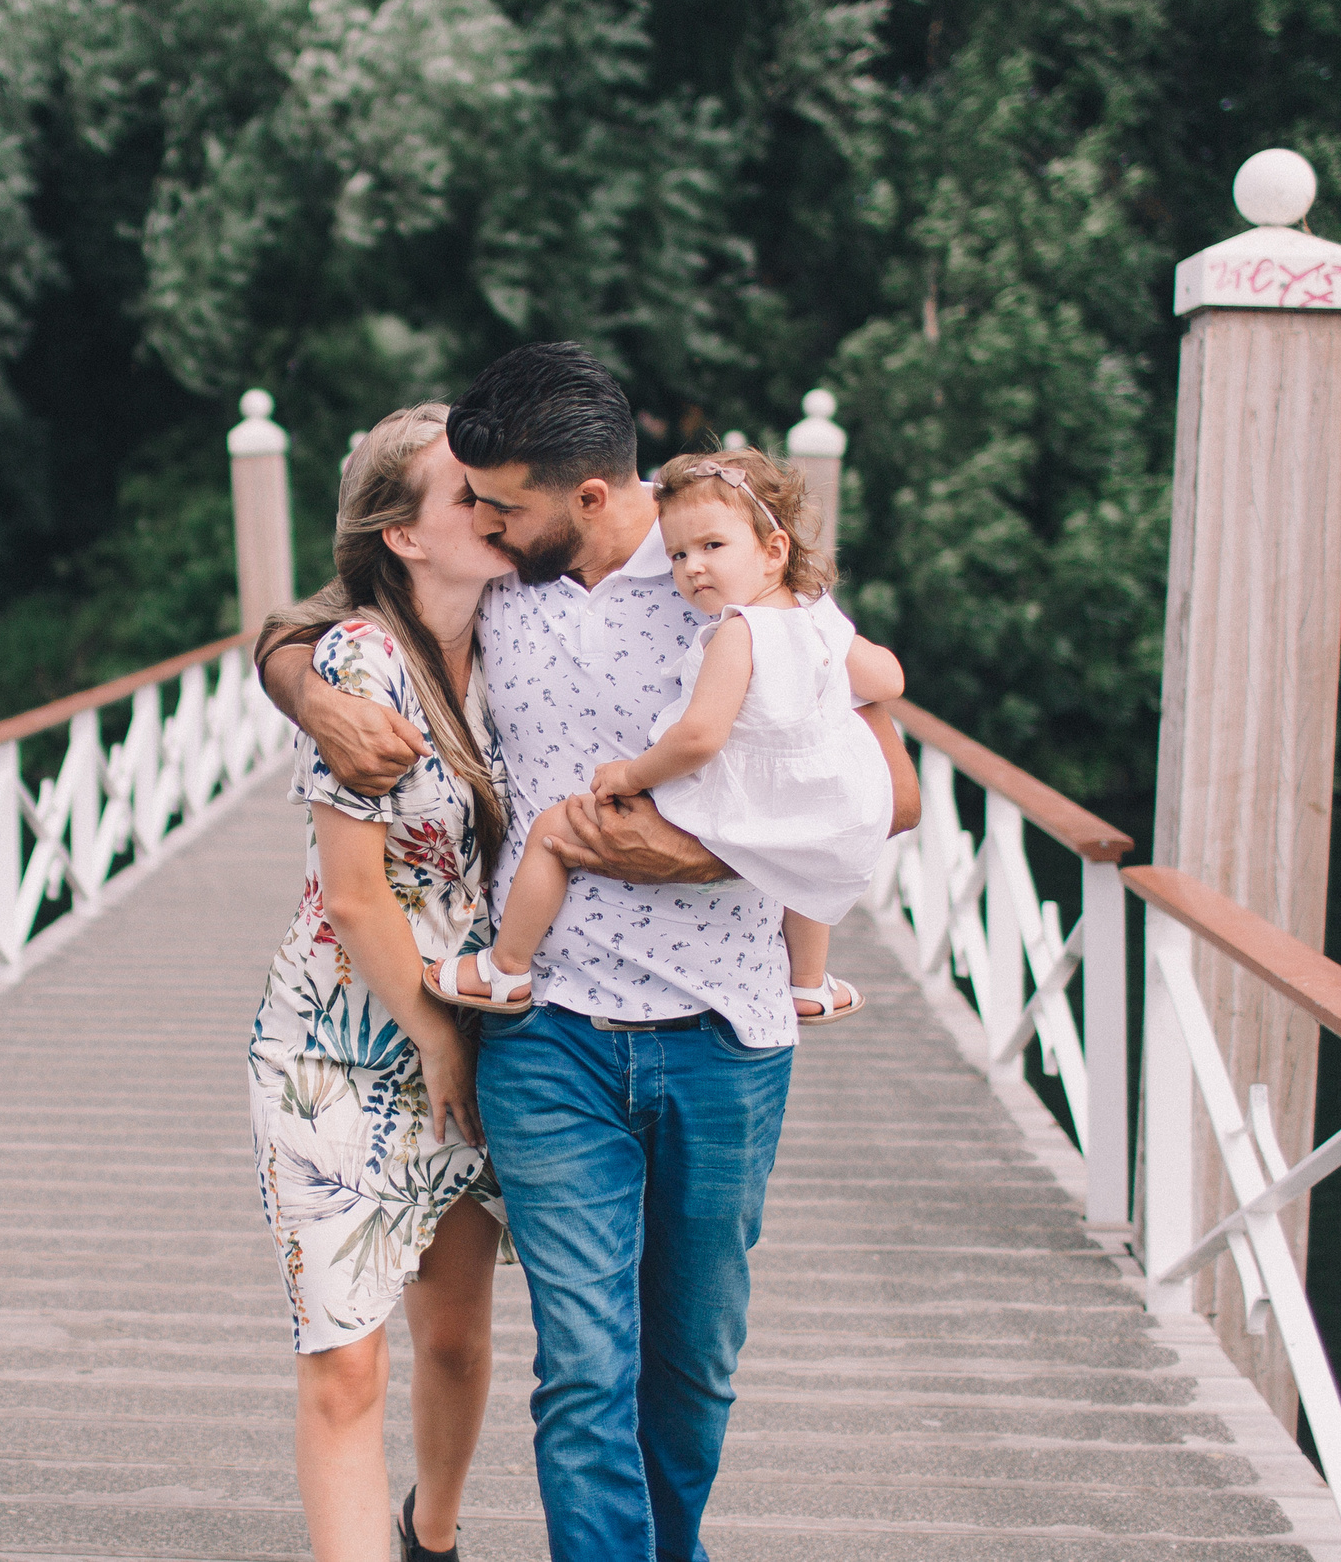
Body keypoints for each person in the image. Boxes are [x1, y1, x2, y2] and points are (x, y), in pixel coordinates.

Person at [258, 343, 921, 1562]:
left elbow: (892, 797)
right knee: (582, 1369)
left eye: (505, 504)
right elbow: (326, 624)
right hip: (544, 1032)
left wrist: (706, 854)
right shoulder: (498, 590)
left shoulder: (718, 573)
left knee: (692, 1366)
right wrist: (297, 680)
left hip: (726, 1031)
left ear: (590, 495)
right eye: (476, 507)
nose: (491, 527)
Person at [247, 404, 511, 1562]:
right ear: (401, 536)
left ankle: (432, 1537)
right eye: (468, 492)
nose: (497, 504)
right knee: (346, 1359)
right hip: (341, 1049)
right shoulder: (358, 661)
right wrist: (436, 1036)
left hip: (486, 1030)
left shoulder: (526, 634)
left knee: (455, 1332)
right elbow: (356, 898)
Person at [426, 445, 903, 1024]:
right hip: (819, 791)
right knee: (806, 860)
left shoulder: (734, 633)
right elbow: (887, 679)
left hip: (733, 794)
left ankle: (506, 969)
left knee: (556, 829)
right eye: (677, 554)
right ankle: (806, 982)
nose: (692, 567)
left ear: (773, 551)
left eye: (711, 547)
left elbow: (698, 737)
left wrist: (632, 772)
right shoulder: (815, 621)